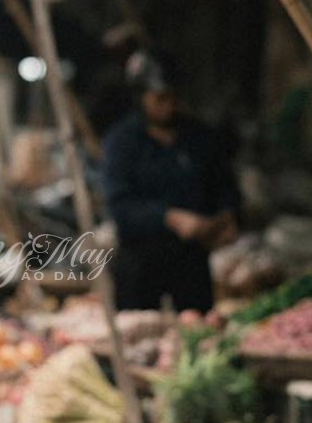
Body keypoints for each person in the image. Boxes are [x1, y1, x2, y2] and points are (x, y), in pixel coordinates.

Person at [101, 51, 241, 313]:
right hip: (139, 261)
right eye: (160, 99)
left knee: (198, 330)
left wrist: (226, 217)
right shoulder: (122, 142)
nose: (168, 106)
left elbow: (225, 186)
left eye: (174, 98)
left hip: (191, 260)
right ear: (141, 97)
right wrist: (170, 218)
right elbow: (119, 205)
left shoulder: (200, 138)